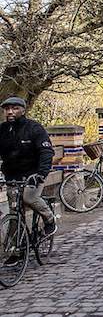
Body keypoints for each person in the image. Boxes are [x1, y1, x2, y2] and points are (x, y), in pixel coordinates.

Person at [0, 96, 57, 237]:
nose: (10, 112)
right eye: (7, 109)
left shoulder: (34, 128)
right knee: (15, 211)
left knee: (29, 198)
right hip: (12, 176)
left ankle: (50, 219)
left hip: (33, 174)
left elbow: (46, 151)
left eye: (15, 108)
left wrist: (41, 174)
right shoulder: (2, 130)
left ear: (23, 110)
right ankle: (16, 249)